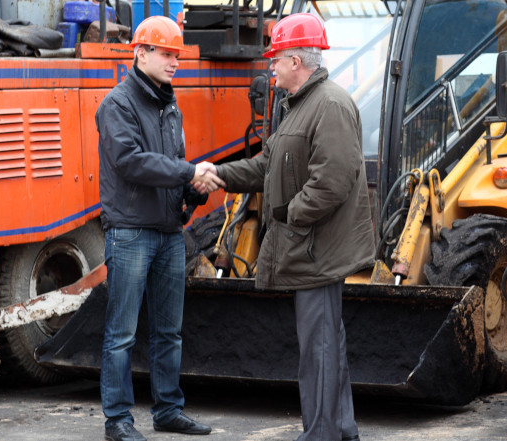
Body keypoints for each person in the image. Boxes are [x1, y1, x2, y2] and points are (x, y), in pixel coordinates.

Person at [214, 13, 375, 441]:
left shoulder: (330, 105)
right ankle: (340, 430)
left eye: (276, 59)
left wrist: (290, 215)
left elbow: (332, 181)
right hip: (310, 247)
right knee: (326, 345)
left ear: (296, 61)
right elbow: (268, 166)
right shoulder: (301, 107)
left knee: (319, 350)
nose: (271, 67)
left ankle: (320, 434)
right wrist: (221, 174)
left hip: (315, 249)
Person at [95, 15, 224, 441]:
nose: (174, 62)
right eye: (166, 54)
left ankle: (168, 410)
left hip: (168, 233)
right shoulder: (116, 105)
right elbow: (132, 162)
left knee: (169, 331)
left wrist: (193, 194)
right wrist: (189, 172)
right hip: (130, 232)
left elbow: (172, 166)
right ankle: (118, 421)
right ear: (140, 52)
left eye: (177, 55)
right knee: (122, 334)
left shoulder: (171, 106)